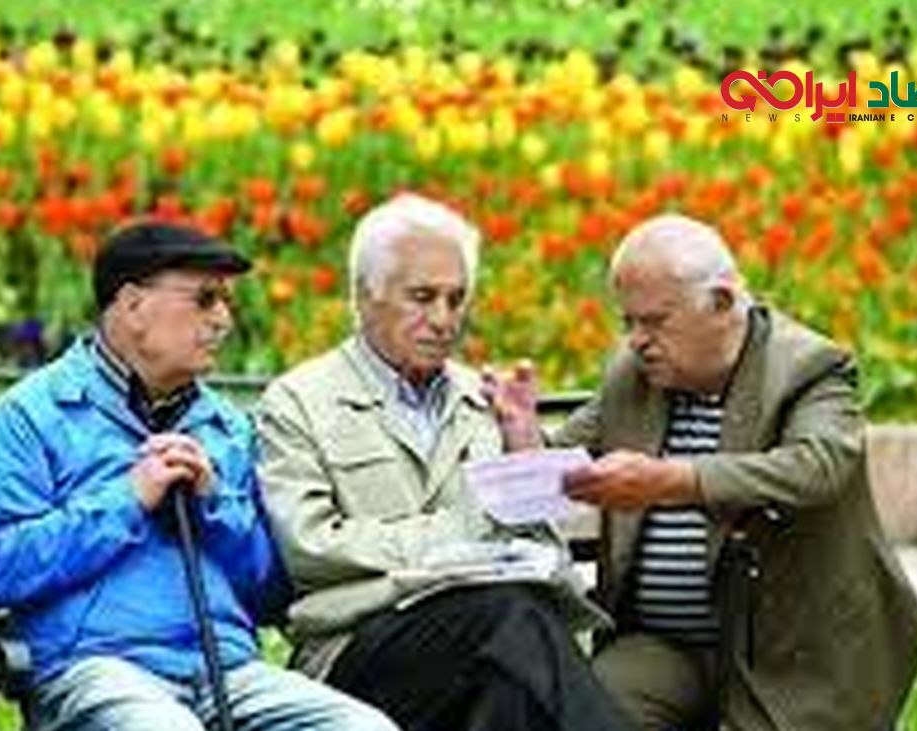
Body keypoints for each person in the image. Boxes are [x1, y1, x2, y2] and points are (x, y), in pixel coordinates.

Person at [490, 214, 917, 731]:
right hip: (659, 646)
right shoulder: (633, 375)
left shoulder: (809, 367)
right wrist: (524, 436)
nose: (637, 341)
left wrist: (672, 481)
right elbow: (565, 467)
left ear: (721, 303)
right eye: (629, 322)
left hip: (789, 652)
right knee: (585, 718)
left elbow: (818, 467)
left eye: (655, 321)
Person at [0, 221, 397, 731]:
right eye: (205, 299)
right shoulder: (32, 415)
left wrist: (214, 506)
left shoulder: (228, 429)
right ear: (133, 306)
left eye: (226, 302)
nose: (223, 320)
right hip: (98, 668)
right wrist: (128, 500)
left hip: (227, 671)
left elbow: (273, 594)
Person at [255, 194, 636, 731]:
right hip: (355, 648)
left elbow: (546, 555)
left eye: (457, 300)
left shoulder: (484, 400)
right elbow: (310, 546)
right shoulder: (299, 401)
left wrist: (526, 451)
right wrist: (454, 545)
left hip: (489, 645)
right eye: (422, 298)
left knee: (507, 687)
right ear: (365, 296)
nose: (443, 320)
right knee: (508, 622)